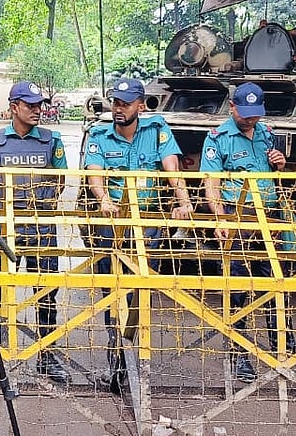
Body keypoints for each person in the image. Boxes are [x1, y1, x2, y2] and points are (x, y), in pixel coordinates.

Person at [82, 77, 192, 390]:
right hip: (112, 226)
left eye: (125, 103)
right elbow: (95, 171)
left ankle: (134, 359)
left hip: (148, 224)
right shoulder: (99, 134)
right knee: (113, 294)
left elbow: (172, 168)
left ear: (140, 105)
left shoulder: (157, 130)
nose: (118, 108)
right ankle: (116, 359)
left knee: (140, 293)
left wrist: (183, 202)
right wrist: (102, 198)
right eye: (115, 102)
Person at [0, 80, 70, 382]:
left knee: (46, 291)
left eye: (39, 105)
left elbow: (60, 182)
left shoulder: (52, 140)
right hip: (4, 228)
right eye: (29, 105)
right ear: (13, 107)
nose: (37, 110)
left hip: (42, 226)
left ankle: (47, 355)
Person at [203, 83, 292, 383]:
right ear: (232, 107)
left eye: (256, 114)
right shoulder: (217, 139)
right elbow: (211, 183)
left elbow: (277, 175)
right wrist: (220, 219)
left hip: (269, 218)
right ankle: (239, 353)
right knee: (238, 286)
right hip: (236, 217)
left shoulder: (266, 133)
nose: (251, 119)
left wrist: (280, 165)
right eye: (245, 114)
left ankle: (282, 342)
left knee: (274, 282)